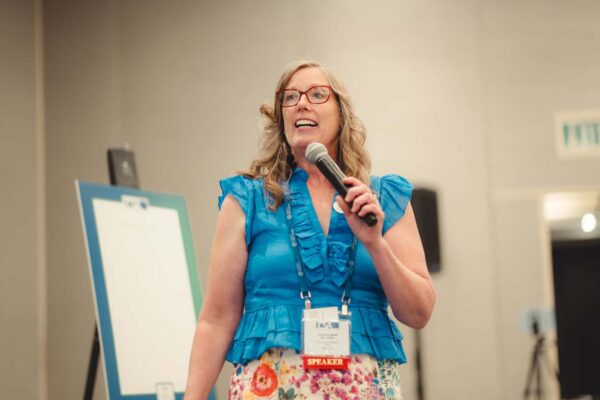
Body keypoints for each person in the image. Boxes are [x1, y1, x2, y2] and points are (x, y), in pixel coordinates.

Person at [184, 60, 436, 400]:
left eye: (317, 94)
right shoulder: (247, 200)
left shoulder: (383, 199)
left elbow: (418, 313)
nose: (301, 103)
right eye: (290, 97)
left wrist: (376, 244)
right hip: (270, 389)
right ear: (281, 118)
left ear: (341, 113)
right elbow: (216, 320)